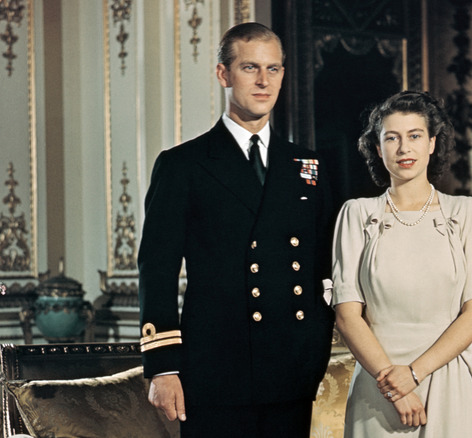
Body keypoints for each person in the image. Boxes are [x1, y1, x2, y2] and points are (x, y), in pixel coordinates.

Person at [137, 22, 335, 438]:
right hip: (215, 369)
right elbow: (157, 270)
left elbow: (324, 269)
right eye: (250, 68)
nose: (264, 81)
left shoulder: (307, 167)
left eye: (274, 69)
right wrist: (163, 366)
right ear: (223, 74)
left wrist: (316, 348)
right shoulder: (183, 165)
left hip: (291, 368)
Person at [331, 90, 472, 437]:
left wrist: (414, 374)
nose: (404, 148)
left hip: (446, 380)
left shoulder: (465, 213)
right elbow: (347, 315)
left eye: (414, 136)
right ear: (378, 149)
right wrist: (392, 383)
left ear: (432, 144)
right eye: (392, 138)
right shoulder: (357, 214)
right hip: (378, 387)